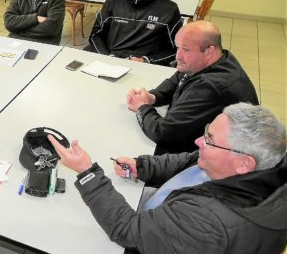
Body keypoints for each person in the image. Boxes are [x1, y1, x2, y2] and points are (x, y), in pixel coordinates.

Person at [49, 103, 287, 254]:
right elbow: (191, 160)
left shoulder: (204, 220)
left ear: (244, 164)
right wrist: (143, 166)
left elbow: (127, 230)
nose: (199, 142)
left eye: (209, 139)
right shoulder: (262, 164)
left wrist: (87, 173)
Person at [126, 20, 258, 155]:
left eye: (185, 49)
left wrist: (142, 107)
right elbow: (177, 78)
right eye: (177, 48)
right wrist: (153, 97)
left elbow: (164, 133)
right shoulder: (217, 59)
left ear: (209, 51)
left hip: (211, 157)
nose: (178, 56)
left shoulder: (211, 87)